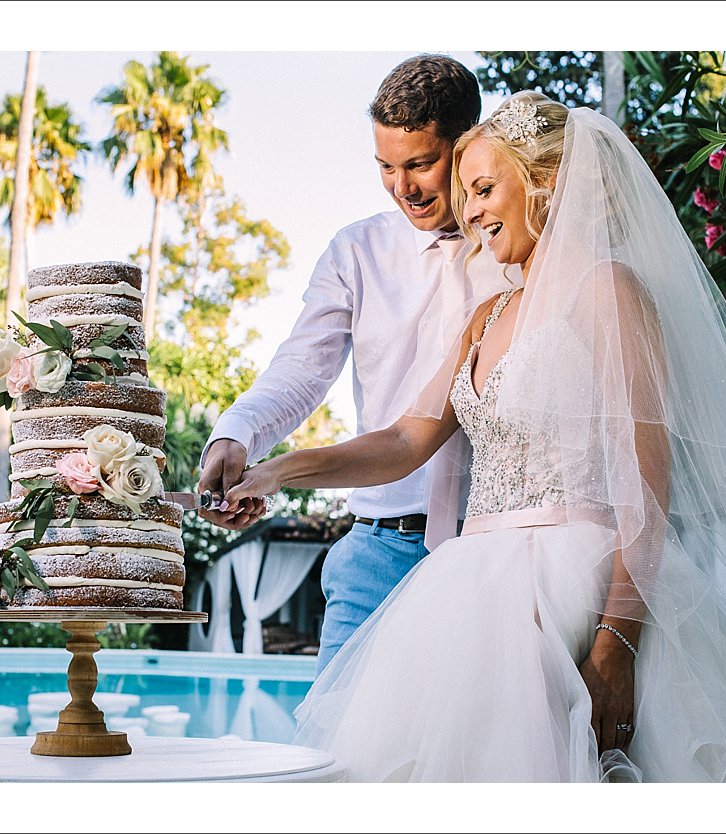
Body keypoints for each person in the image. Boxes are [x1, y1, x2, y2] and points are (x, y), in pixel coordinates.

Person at [222, 92, 726, 782]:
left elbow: (647, 482)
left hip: (582, 586)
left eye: (484, 189)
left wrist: (617, 640)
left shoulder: (610, 291)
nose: (469, 213)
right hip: (475, 588)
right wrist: (276, 472)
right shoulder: (486, 316)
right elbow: (404, 441)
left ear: (547, 183)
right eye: (466, 195)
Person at [198, 54, 510, 673]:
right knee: (335, 749)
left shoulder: (517, 247)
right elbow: (302, 368)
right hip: (377, 548)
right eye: (386, 167)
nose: (404, 187)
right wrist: (238, 434)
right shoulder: (355, 251)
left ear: (466, 144)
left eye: (420, 163)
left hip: (499, 546)